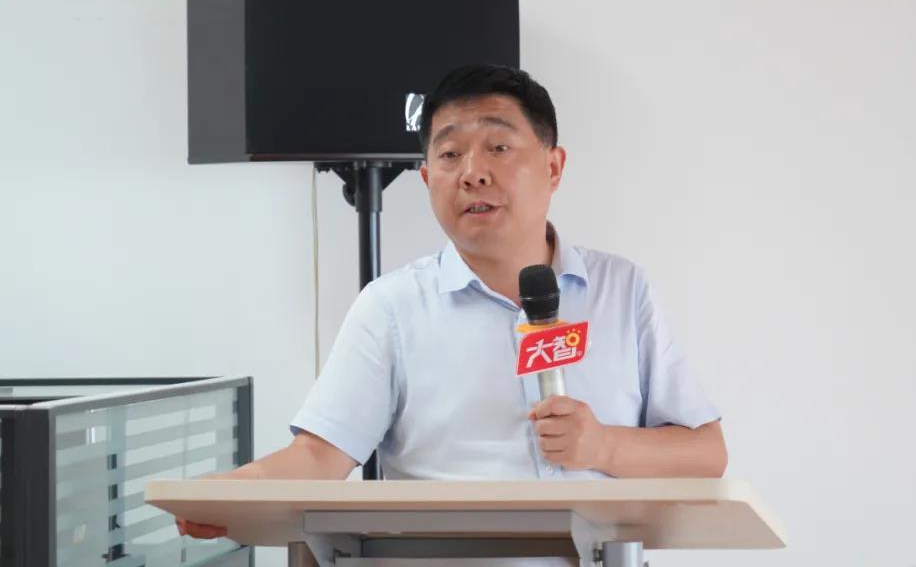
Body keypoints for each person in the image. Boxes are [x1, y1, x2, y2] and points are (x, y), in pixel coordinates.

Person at [177, 64, 726, 541]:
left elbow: (706, 454)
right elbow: (320, 457)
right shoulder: (390, 308)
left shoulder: (622, 289)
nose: (472, 173)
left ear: (554, 167)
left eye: (498, 148)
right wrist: (223, 491)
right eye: (449, 154)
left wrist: (603, 447)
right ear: (426, 178)